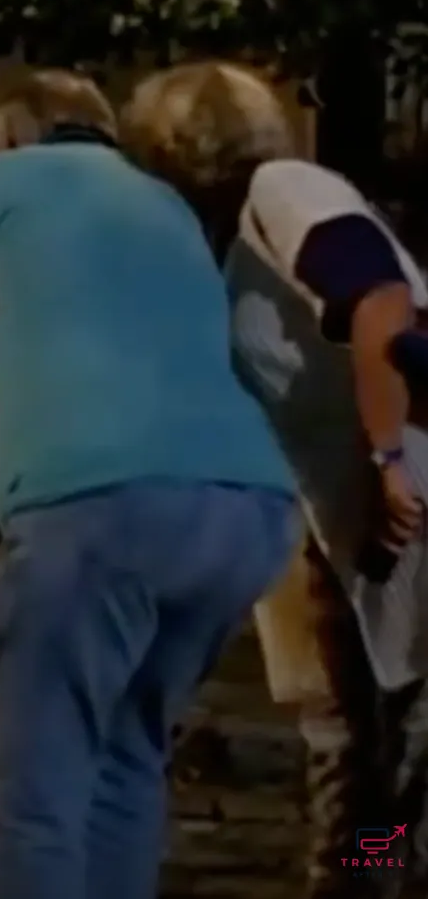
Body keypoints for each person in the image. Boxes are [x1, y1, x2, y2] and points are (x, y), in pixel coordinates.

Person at [0, 69, 299, 899]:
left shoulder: (3, 177)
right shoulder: (173, 207)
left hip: (105, 504)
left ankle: (371, 864)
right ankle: (374, 863)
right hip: (250, 505)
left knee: (33, 787)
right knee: (126, 760)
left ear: (14, 134)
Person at [124, 61, 428, 898]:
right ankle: (356, 880)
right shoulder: (223, 250)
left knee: (405, 757)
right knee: (355, 750)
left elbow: (379, 299)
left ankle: (369, 876)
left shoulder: (285, 190)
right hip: (341, 531)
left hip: (404, 497)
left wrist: (386, 460)